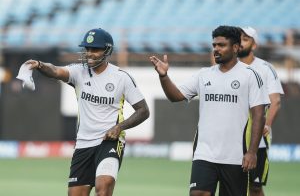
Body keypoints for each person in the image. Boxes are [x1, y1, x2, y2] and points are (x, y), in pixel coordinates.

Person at [24, 28, 150, 196]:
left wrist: (119, 127)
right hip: (83, 144)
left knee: (103, 189)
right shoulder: (78, 72)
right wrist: (39, 65)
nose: (89, 53)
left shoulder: (122, 77)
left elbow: (143, 110)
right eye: (87, 49)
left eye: (95, 49)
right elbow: (55, 70)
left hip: (109, 142)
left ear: (107, 51)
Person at [150, 25, 270, 196]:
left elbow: (259, 115)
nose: (216, 49)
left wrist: (252, 152)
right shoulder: (204, 74)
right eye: (214, 45)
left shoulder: (250, 75)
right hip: (204, 154)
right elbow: (175, 96)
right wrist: (163, 76)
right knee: (198, 193)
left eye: (221, 45)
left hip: (236, 157)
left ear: (235, 47)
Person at [238, 27, 284, 196]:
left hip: (256, 138)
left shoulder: (265, 68)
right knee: (231, 184)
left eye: (246, 39)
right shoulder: (228, 67)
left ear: (254, 44)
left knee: (255, 187)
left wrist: (267, 125)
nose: (241, 42)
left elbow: (275, 101)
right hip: (231, 137)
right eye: (239, 38)